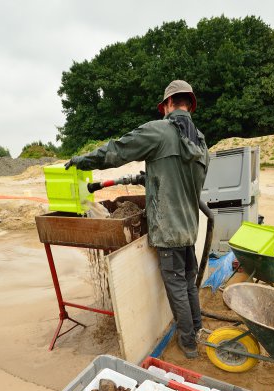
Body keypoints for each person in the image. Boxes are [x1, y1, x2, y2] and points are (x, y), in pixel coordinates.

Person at [65, 80, 210, 358]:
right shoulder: (200, 141)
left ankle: (189, 343)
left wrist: (82, 160)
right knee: (189, 281)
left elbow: (117, 150)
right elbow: (184, 181)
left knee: (177, 286)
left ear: (168, 105)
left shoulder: (160, 131)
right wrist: (152, 179)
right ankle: (197, 327)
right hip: (190, 227)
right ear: (189, 105)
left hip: (168, 229)